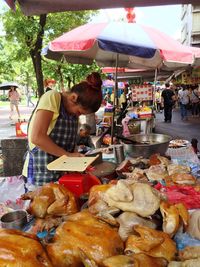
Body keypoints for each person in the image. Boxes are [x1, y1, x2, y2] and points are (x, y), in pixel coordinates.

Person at [22, 72, 102, 188]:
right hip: (40, 172)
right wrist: (67, 155)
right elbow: (37, 137)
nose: (78, 115)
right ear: (73, 97)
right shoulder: (52, 97)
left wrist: (75, 160)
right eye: (79, 112)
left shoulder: (73, 113)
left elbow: (70, 143)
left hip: (62, 173)